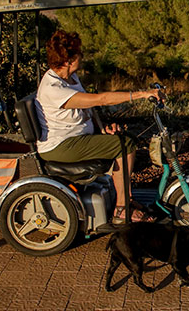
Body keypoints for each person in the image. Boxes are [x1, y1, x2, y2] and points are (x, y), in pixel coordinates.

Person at [34, 30, 165, 224]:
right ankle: (122, 208)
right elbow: (100, 99)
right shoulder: (53, 88)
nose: (82, 57)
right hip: (60, 147)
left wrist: (102, 128)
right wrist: (142, 94)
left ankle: (125, 200)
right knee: (126, 144)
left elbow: (89, 107)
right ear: (69, 59)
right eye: (79, 54)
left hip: (75, 139)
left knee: (126, 139)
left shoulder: (70, 78)